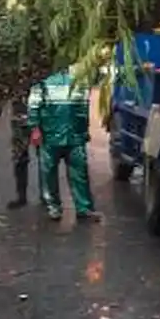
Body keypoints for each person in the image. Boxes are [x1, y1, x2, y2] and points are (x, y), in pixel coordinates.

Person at [30, 67, 101, 222]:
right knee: (49, 173)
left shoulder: (81, 80)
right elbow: (34, 104)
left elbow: (83, 107)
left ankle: (84, 208)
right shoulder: (44, 80)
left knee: (80, 173)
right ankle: (53, 207)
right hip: (50, 135)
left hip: (75, 136)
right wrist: (35, 128)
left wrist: (84, 131)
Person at [5, 94, 36, 210]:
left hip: (26, 117)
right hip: (22, 119)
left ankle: (23, 196)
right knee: (20, 160)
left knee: (21, 160)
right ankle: (22, 196)